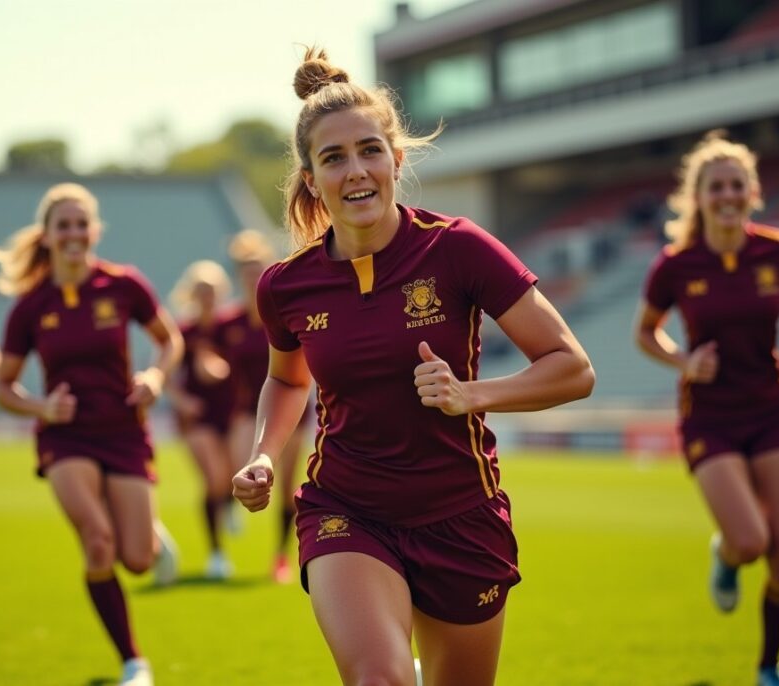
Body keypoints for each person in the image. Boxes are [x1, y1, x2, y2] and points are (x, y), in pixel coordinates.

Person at [231, 48, 595, 686]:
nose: (356, 171)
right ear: (311, 180)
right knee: (381, 678)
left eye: (370, 150)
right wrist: (263, 453)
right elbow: (287, 379)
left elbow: (572, 368)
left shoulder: (459, 248)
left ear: (396, 160)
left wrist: (471, 395)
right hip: (346, 508)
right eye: (333, 158)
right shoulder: (285, 286)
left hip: (462, 514)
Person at [635, 130, 779, 686]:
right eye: (716, 186)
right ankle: (725, 555)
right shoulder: (675, 264)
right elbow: (645, 333)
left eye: (736, 185)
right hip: (710, 418)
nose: (727, 195)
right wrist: (684, 360)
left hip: (771, 409)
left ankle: (769, 667)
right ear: (698, 197)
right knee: (750, 542)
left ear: (753, 191)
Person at [0, 182, 183, 686]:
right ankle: (133, 661)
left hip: (123, 431)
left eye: (81, 224)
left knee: (136, 561)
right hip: (66, 438)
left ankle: (150, 535)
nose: (73, 234)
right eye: (64, 226)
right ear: (47, 235)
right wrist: (42, 407)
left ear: (95, 231)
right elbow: (3, 388)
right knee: (98, 542)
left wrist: (155, 376)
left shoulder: (124, 285)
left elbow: (170, 341)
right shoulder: (31, 306)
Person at [219, 229, 312, 583]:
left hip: (292, 410)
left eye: (258, 271)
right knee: (241, 466)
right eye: (246, 273)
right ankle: (232, 505)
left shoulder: (284, 312)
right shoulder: (229, 322)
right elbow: (202, 348)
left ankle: (280, 556)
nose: (252, 278)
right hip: (246, 409)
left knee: (285, 486)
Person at [167, 260, 237, 580]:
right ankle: (216, 552)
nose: (207, 297)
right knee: (214, 479)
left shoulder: (231, 326)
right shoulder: (184, 332)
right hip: (198, 418)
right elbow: (166, 375)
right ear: (192, 294)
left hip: (231, 413)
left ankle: (230, 506)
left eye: (212, 291)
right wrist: (183, 400)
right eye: (202, 291)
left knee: (232, 474)